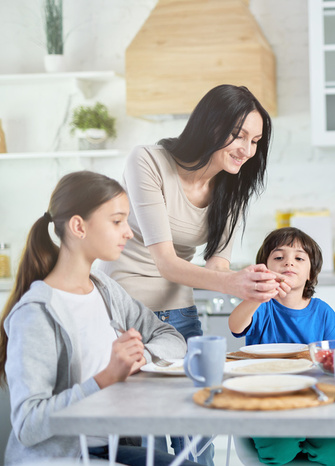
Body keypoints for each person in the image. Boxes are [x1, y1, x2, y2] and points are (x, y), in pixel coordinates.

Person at [98, 84, 290, 464]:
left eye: (255, 140)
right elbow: (166, 262)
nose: (247, 149)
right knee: (139, 435)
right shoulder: (149, 161)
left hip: (179, 314)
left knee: (199, 428)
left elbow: (216, 264)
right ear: (209, 126)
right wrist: (232, 282)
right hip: (123, 312)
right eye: (238, 136)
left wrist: (249, 283)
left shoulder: (234, 187)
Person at [0, 171, 195, 466]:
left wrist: (140, 356)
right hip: (60, 458)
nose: (128, 232)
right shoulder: (36, 313)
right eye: (117, 221)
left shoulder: (105, 290)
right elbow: (29, 425)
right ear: (79, 226)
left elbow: (171, 339)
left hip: (113, 448)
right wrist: (106, 378)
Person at [229, 227, 335, 465]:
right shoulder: (262, 306)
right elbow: (235, 326)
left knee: (333, 454)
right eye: (278, 257)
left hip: (315, 399)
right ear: (263, 269)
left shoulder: (323, 312)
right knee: (278, 453)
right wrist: (257, 295)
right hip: (268, 399)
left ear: (310, 274)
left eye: (298, 258)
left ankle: (305, 437)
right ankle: (293, 438)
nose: (288, 263)